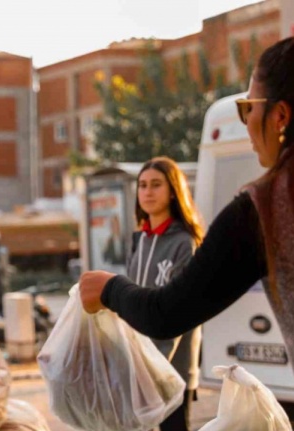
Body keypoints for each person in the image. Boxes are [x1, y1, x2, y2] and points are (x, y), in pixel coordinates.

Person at [80, 37, 294, 390]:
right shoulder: (142, 239)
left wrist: (109, 289)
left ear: (280, 116)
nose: (246, 122)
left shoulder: (267, 207)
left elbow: (167, 313)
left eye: (249, 108)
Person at [128, 157, 204, 431]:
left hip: (171, 371)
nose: (147, 192)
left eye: (156, 185)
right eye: (143, 185)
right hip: (139, 367)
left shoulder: (185, 243)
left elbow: (179, 311)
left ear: (173, 190)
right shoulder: (140, 240)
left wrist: (153, 368)